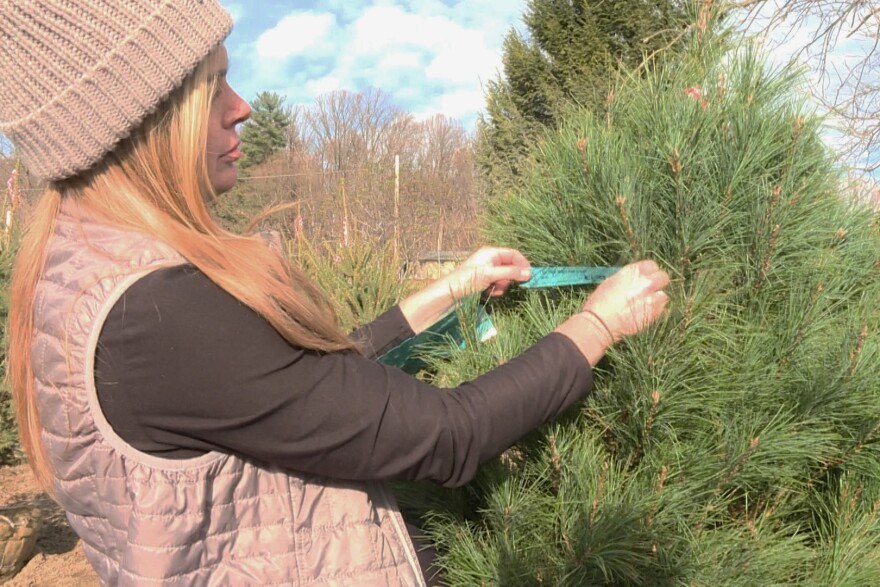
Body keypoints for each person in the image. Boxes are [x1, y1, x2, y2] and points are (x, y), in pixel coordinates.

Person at [0, 1, 670, 585]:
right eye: (214, 85)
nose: (243, 107)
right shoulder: (157, 312)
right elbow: (448, 434)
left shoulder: (88, 270)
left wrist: (442, 294)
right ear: (143, 122)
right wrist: (598, 323)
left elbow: (303, 392)